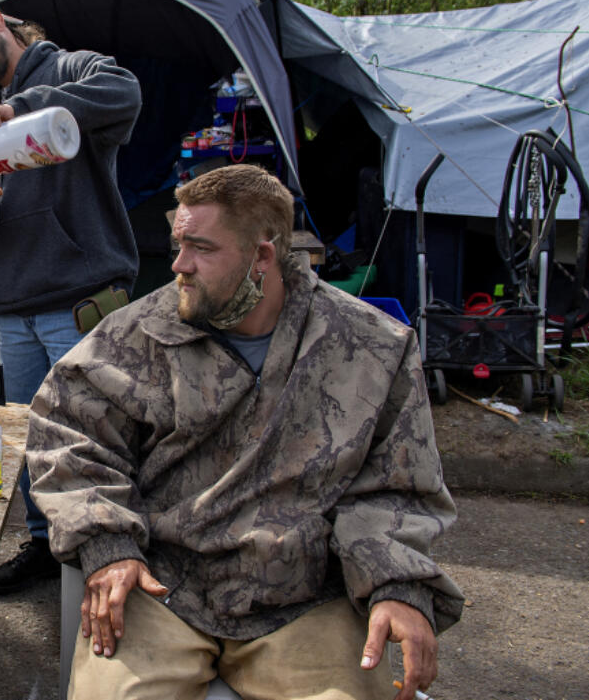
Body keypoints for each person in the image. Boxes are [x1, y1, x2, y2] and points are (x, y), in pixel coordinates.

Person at [26, 164, 464, 700]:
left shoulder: (371, 348)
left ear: (264, 254)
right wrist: (109, 543)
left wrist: (398, 585)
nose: (179, 266)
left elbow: (399, 486)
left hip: (304, 598)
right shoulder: (137, 334)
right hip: (165, 585)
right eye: (178, 244)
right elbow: (67, 434)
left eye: (202, 249)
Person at [0, 0, 142, 594]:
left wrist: (22, 107)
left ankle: (115, 554)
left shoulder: (71, 70)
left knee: (96, 435)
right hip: (13, 302)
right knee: (33, 440)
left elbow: (124, 92)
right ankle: (44, 545)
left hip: (79, 296)